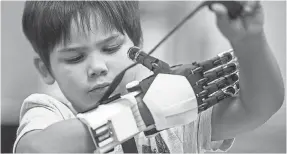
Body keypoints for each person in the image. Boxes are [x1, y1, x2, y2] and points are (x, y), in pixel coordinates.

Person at [14, 1, 284, 153]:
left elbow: (259, 107)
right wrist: (139, 112)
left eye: (110, 48)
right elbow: (34, 151)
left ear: (138, 45)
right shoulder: (50, 112)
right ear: (45, 70)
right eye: (75, 58)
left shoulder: (175, 107)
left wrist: (250, 42)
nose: (97, 67)